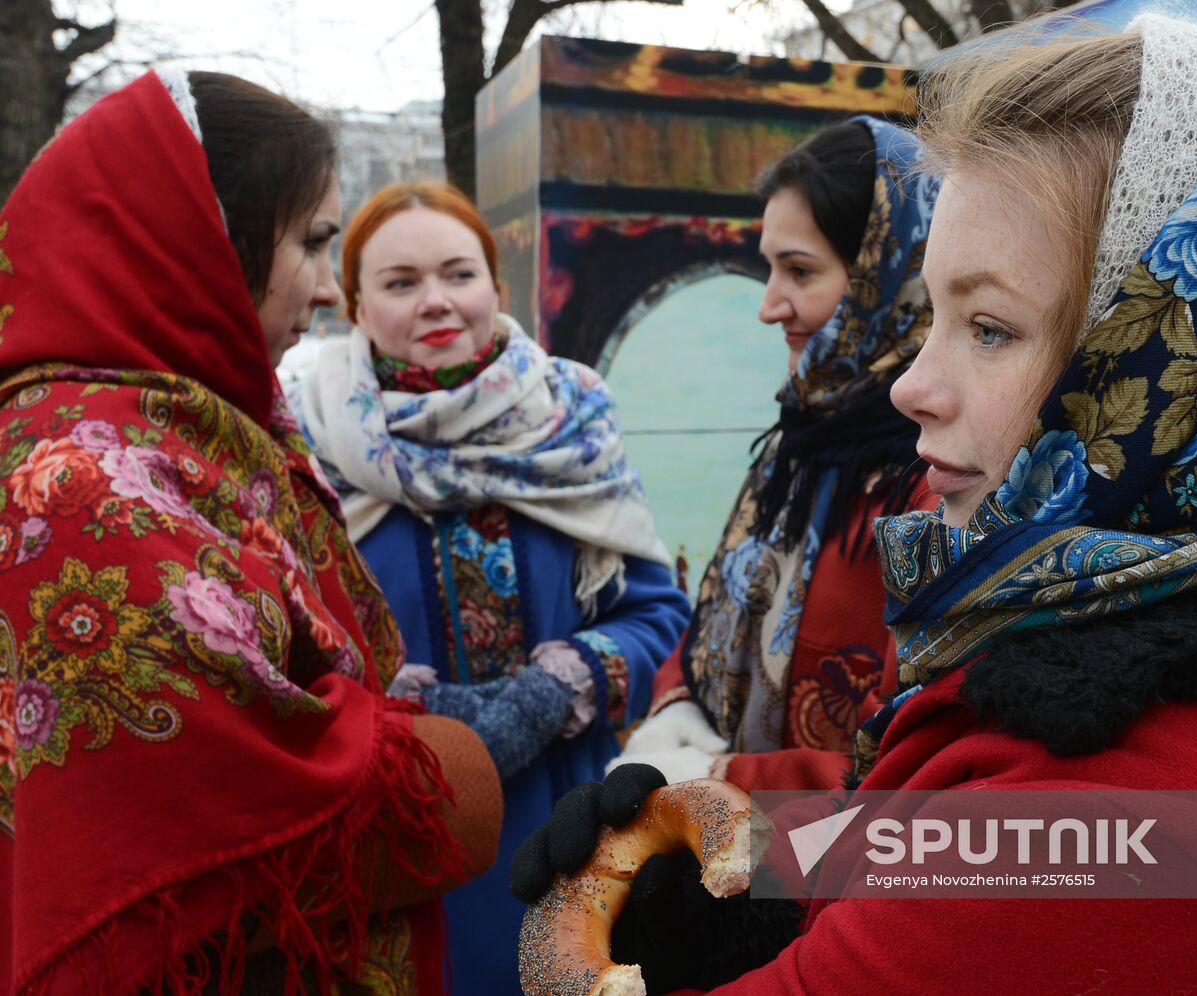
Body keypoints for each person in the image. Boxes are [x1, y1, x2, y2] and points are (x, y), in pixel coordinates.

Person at [514, 13, 1197, 991]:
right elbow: (950, 842)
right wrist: (732, 864)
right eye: (931, 316)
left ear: (1186, 358)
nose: (910, 387)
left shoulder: (1111, 829)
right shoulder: (1185, 667)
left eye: (986, 326)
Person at [0, 72, 503, 995]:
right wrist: (456, 768)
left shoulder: (185, 427)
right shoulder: (77, 478)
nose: (322, 288)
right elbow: (228, 807)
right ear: (197, 241)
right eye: (313, 243)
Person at [288, 180, 689, 992]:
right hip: (388, 840)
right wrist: (388, 701)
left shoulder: (572, 421)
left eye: (458, 274)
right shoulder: (305, 440)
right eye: (401, 283)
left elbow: (654, 608)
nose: (436, 301)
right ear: (358, 308)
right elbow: (281, 634)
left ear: (496, 290)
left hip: (565, 833)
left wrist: (558, 684)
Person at [615, 116, 936, 792]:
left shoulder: (940, 483)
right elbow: (723, 614)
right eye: (770, 268)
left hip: (826, 885)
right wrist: (676, 712)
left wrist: (715, 779)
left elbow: (900, 777)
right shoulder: (803, 442)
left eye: (799, 271)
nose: (768, 306)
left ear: (888, 274)